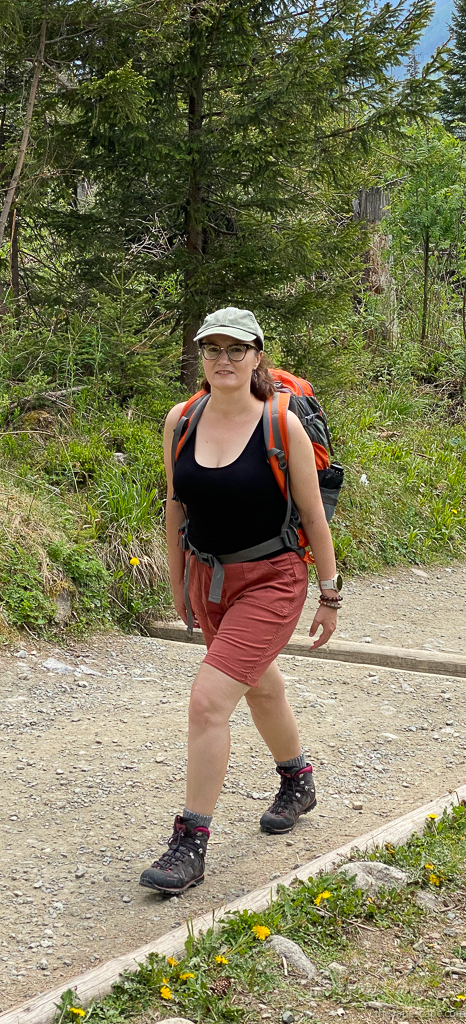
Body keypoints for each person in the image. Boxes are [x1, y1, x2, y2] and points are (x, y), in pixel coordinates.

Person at [139, 307, 342, 895]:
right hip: (210, 579)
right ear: (201, 358)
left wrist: (329, 594)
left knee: (208, 701)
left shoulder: (282, 425)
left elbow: (312, 515)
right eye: (212, 350)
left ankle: (189, 844)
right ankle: (298, 779)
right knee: (259, 682)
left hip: (274, 581)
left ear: (257, 356)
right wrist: (178, 581)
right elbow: (177, 507)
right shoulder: (181, 420)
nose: (223, 360)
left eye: (236, 349)